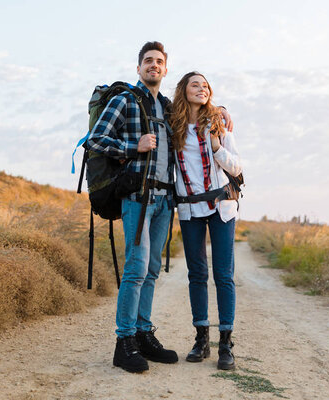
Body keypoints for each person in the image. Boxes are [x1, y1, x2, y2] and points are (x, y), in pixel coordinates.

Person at [86, 42, 234, 373]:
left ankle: (142, 334)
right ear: (139, 68)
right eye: (148, 61)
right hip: (137, 197)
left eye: (159, 62)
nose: (154, 65)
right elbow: (94, 140)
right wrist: (131, 145)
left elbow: (196, 112)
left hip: (165, 201)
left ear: (165, 71)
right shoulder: (125, 100)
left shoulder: (168, 107)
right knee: (136, 269)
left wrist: (220, 108)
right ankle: (123, 342)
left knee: (152, 270)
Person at [170, 71, 242, 370]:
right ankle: (201, 338)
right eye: (194, 84)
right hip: (189, 211)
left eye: (205, 86)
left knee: (223, 275)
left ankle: (225, 343)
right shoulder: (171, 124)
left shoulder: (218, 123)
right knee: (196, 274)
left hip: (221, 206)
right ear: (183, 91)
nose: (201, 89)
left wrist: (215, 145)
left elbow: (237, 166)